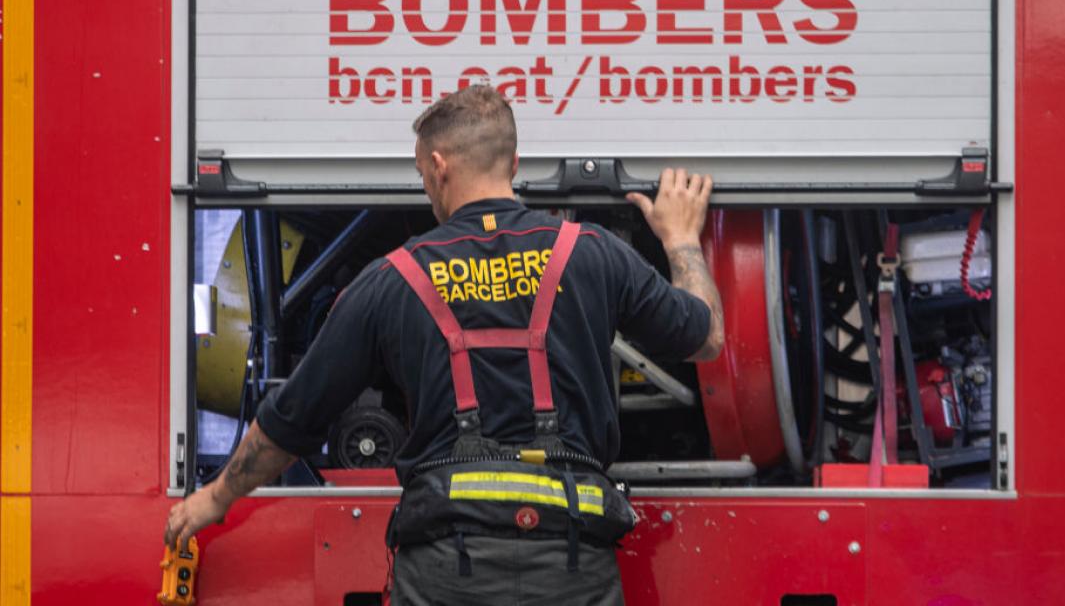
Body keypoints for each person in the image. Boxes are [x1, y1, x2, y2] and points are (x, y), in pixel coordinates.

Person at [165, 85, 724, 605]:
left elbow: (293, 420)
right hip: (573, 562)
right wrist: (680, 240)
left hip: (445, 569)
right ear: (514, 164)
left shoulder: (391, 280)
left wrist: (215, 497)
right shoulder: (592, 253)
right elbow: (705, 338)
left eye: (420, 173)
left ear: (438, 166)